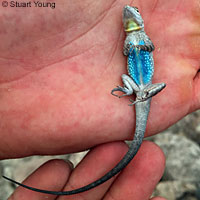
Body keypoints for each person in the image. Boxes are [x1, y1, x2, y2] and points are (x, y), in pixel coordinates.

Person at [0, 0, 199, 199]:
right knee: (124, 80)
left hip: (145, 88)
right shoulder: (130, 38)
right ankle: (132, 91)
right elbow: (128, 50)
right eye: (127, 13)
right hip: (137, 87)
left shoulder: (139, 37)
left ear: (140, 19)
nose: (129, 12)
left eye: (135, 11)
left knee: (160, 85)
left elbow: (149, 46)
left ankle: (139, 94)